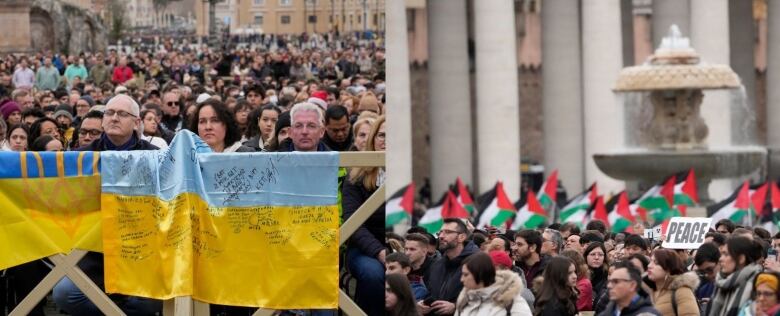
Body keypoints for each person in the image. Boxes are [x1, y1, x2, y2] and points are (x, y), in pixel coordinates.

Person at [53, 94, 160, 316]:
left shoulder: (155, 157)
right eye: (109, 113)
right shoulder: (81, 157)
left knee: (150, 302)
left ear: (137, 122)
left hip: (139, 252)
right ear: (102, 121)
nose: (114, 118)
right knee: (64, 293)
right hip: (91, 252)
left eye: (122, 114)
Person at [341, 115, 386, 316]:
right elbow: (353, 223)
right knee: (373, 273)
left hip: (407, 244)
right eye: (382, 135)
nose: (387, 141)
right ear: (373, 139)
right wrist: (380, 252)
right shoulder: (355, 178)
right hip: (365, 249)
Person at [419, 218, 480, 316]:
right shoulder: (437, 265)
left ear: (461, 237)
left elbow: (486, 297)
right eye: (441, 232)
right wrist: (423, 304)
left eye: (447, 232)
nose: (441, 236)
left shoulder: (478, 262)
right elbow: (432, 294)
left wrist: (455, 307)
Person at [454, 252, 532, 315]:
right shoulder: (464, 300)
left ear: (480, 274)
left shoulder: (511, 302)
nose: (461, 279)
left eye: (466, 274)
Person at [707, 236, 764, 316]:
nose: (720, 259)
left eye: (726, 254)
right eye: (721, 254)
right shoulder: (721, 282)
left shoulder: (758, 284)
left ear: (741, 259)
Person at [647, 248, 700, 316]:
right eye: (650, 261)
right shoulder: (647, 291)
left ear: (669, 267)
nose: (649, 266)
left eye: (656, 263)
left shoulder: (682, 291)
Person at [188, 99, 254, 153]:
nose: (208, 127)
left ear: (226, 124)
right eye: (202, 121)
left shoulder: (246, 155)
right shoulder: (188, 157)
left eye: (215, 120)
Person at [694, 242, 720, 311]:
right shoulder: (702, 290)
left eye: (709, 269)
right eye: (702, 272)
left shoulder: (737, 285)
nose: (707, 275)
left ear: (720, 261)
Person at [585, 242, 609, 309]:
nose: (596, 257)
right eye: (592, 254)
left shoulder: (609, 275)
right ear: (586, 256)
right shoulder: (580, 275)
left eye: (600, 255)